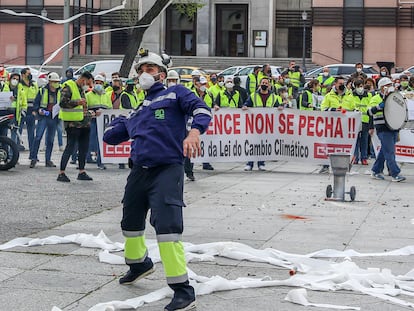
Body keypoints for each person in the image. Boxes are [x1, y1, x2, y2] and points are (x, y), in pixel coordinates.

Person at [103, 49, 212, 311]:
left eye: (149, 69)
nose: (143, 73)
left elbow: (202, 110)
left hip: (167, 169)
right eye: (140, 70)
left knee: (167, 228)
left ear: (161, 74)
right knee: (130, 222)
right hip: (139, 171)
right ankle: (139, 264)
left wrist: (194, 132)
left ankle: (183, 290)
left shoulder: (176, 93)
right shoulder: (138, 108)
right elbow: (110, 136)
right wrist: (114, 123)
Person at [57, 71, 94, 182]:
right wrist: (77, 102)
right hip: (72, 123)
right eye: (88, 83)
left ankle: (81, 171)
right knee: (70, 147)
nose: (88, 86)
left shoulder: (81, 89)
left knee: (83, 148)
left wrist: (89, 113)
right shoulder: (69, 86)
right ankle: (61, 173)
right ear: (83, 80)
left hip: (84, 123)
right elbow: (62, 102)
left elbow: (82, 107)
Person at [368, 77, 406, 182]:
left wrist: (398, 129)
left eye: (390, 85)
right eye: (388, 85)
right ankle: (395, 173)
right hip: (383, 128)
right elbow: (370, 112)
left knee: (384, 151)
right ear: (382, 87)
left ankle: (376, 170)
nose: (390, 88)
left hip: (393, 128)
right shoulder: (375, 98)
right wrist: (381, 105)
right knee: (389, 152)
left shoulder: (394, 98)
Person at [319, 76, 354, 173]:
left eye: (343, 83)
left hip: (345, 126)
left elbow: (353, 109)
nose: (342, 85)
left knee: (345, 146)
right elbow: (323, 109)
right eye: (340, 83)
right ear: (335, 84)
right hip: (332, 126)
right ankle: (325, 166)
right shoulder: (329, 96)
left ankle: (346, 165)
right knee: (329, 145)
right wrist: (334, 110)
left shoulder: (349, 96)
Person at [242, 77, 278, 171]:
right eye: (263, 83)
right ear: (259, 84)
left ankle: (261, 163)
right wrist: (245, 106)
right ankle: (250, 163)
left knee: (263, 144)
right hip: (254, 124)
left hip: (267, 125)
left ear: (269, 85)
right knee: (253, 144)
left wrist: (281, 107)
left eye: (266, 83)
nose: (264, 84)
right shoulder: (253, 95)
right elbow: (246, 103)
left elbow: (278, 106)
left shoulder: (273, 96)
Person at [29, 72, 62, 168]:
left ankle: (48, 160)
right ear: (50, 82)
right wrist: (38, 110)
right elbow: (36, 103)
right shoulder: (42, 91)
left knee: (50, 140)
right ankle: (33, 158)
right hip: (43, 117)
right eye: (54, 82)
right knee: (38, 137)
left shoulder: (60, 91)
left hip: (54, 117)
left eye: (57, 82)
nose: (56, 84)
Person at [85, 74, 113, 169]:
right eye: (96, 82)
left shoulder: (106, 96)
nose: (98, 84)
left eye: (100, 83)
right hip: (91, 121)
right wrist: (91, 113)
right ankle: (87, 158)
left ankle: (100, 161)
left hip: (102, 122)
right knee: (89, 140)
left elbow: (110, 109)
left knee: (101, 142)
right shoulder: (88, 95)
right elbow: (84, 109)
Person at [351, 79, 372, 165]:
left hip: (365, 121)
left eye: (361, 86)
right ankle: (355, 158)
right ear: (355, 87)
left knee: (364, 140)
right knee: (355, 140)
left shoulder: (369, 95)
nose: (360, 88)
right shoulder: (351, 95)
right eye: (358, 86)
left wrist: (371, 124)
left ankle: (364, 158)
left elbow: (371, 108)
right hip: (355, 121)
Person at [20, 67, 39, 154]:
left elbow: (38, 98)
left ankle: (33, 154)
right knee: (18, 133)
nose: (30, 75)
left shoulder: (34, 84)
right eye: (28, 73)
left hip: (31, 112)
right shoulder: (19, 85)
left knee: (31, 134)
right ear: (23, 75)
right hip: (21, 112)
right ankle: (15, 153)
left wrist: (36, 110)